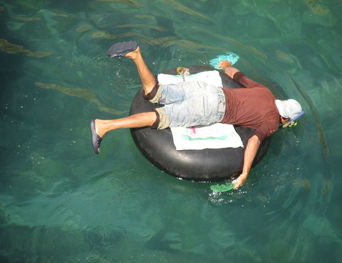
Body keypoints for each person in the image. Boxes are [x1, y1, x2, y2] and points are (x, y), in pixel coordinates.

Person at [90, 41, 304, 189]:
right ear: (285, 118)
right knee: (163, 118)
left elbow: (239, 76)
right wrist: (245, 172)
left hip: (207, 89)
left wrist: (226, 65)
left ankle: (136, 55)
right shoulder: (272, 122)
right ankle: (104, 125)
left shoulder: (266, 92)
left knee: (154, 93)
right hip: (211, 108)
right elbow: (254, 141)